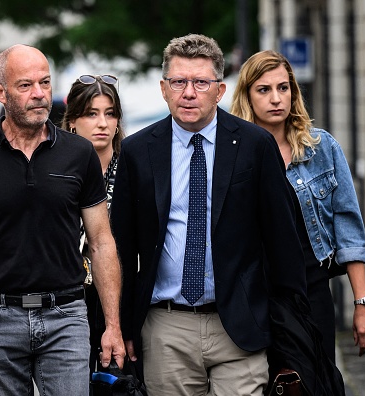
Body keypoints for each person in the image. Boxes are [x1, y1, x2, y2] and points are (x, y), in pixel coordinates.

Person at [110, 34, 308, 395]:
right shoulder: (138, 151)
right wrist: (122, 327)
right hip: (165, 328)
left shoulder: (254, 145)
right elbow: (120, 248)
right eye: (178, 82)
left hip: (240, 325)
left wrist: (286, 332)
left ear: (219, 90)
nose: (189, 92)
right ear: (163, 88)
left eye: (201, 82)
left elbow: (283, 243)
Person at [0, 44, 125, 396]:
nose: (39, 94)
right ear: (0, 92)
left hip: (66, 316)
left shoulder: (79, 154)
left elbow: (101, 241)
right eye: (26, 85)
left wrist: (112, 325)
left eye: (45, 84)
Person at [230, 50, 365, 361]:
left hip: (312, 292)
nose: (276, 99)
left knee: (319, 382)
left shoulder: (321, 147)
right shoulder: (233, 156)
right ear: (247, 96)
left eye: (283, 88)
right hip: (256, 298)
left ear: (293, 92)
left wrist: (362, 302)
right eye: (264, 89)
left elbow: (348, 228)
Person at [61, 74, 126, 375]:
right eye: (92, 113)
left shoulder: (133, 170)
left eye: (110, 113)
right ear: (72, 120)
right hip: (68, 300)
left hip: (122, 297)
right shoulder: (55, 172)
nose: (103, 123)